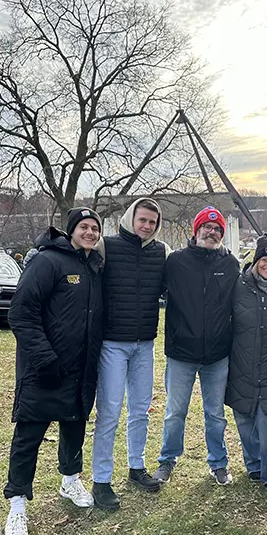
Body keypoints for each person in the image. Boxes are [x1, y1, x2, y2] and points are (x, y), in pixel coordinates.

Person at [3, 208, 104, 535]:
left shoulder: (93, 267)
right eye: (84, 227)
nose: (90, 232)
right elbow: (21, 311)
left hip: (80, 371)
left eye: (95, 228)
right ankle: (17, 506)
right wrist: (44, 358)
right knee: (29, 436)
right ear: (71, 231)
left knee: (74, 425)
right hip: (45, 369)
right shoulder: (48, 262)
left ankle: (70, 480)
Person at [153, 206, 239, 486]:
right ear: (196, 229)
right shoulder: (176, 261)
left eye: (217, 229)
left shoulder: (230, 264)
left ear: (221, 234)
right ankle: (167, 459)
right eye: (207, 227)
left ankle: (218, 462)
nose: (211, 232)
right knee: (175, 412)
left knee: (215, 413)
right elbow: (150, 288)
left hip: (217, 355)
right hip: (181, 353)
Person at [91, 198, 167, 511]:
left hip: (144, 344)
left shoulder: (161, 252)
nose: (147, 226)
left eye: (152, 221)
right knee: (109, 411)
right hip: (112, 343)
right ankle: (101, 479)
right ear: (130, 218)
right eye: (143, 220)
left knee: (140, 409)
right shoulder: (106, 247)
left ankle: (136, 467)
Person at [225, 234, 267, 492]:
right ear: (256, 261)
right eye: (264, 259)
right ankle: (253, 464)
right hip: (240, 361)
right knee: (243, 416)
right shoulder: (239, 285)